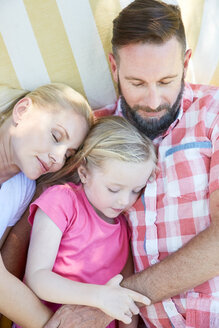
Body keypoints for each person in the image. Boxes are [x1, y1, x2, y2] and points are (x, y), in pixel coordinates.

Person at [44, 0, 219, 327]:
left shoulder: (213, 113)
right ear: (114, 68)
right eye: (137, 83)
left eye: (167, 81)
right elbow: (34, 204)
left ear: (186, 62)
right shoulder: (94, 130)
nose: (153, 102)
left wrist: (109, 302)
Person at [14, 116, 155, 328]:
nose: (124, 200)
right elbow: (38, 277)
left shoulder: (124, 227)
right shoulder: (62, 200)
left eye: (136, 190)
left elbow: (126, 296)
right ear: (84, 173)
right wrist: (99, 297)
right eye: (113, 189)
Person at [0, 82, 93, 327]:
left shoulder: (21, 189)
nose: (58, 157)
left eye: (68, 154)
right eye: (55, 136)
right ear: (22, 111)